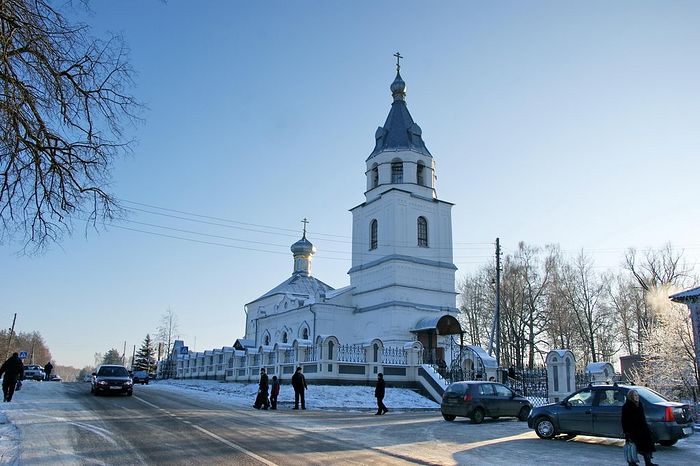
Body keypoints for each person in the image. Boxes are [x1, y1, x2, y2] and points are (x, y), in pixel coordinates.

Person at [621, 389, 658, 466]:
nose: (637, 397)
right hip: (632, 431)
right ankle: (632, 463)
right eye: (635, 395)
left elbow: (642, 418)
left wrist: (647, 429)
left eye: (637, 395)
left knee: (646, 446)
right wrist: (626, 432)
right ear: (631, 396)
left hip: (642, 430)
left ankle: (648, 463)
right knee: (633, 447)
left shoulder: (639, 404)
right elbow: (624, 421)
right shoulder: (626, 406)